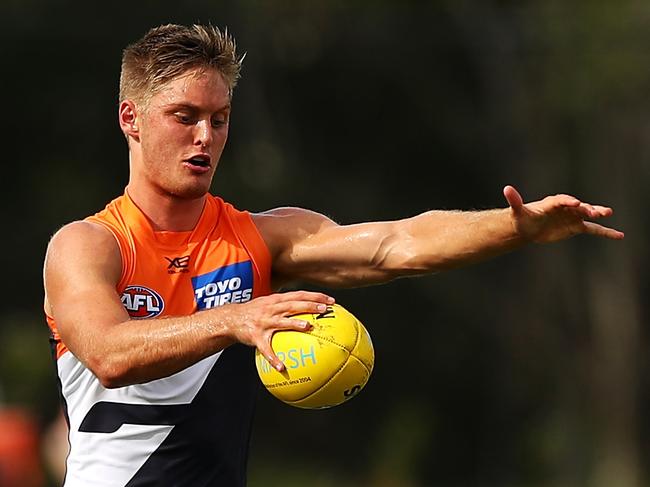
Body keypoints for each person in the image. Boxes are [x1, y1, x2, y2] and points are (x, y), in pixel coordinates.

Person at [42, 23, 624, 487]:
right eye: (184, 116)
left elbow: (397, 244)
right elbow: (109, 354)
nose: (205, 137)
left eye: (219, 120)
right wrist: (238, 319)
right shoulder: (89, 245)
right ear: (131, 118)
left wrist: (516, 228)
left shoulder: (259, 238)